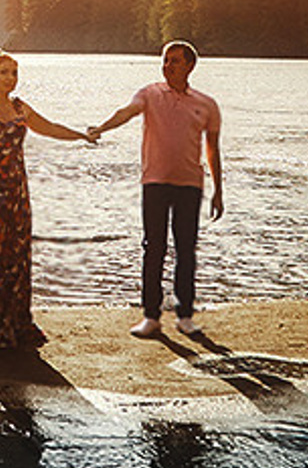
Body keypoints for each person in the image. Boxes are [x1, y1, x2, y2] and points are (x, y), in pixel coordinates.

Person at [0, 51, 92, 358]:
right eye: (4, 72)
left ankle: (8, 325)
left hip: (16, 194)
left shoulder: (20, 108)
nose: (10, 78)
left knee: (13, 257)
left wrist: (81, 136)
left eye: (14, 73)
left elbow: (49, 128)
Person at [88, 40, 223, 339]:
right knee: (154, 248)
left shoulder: (207, 104)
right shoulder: (150, 94)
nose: (168, 65)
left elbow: (213, 150)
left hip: (190, 185)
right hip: (155, 183)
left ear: (190, 65)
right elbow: (126, 111)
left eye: (175, 61)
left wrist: (218, 191)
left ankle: (185, 315)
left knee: (186, 251)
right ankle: (151, 316)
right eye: (165, 60)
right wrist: (100, 128)